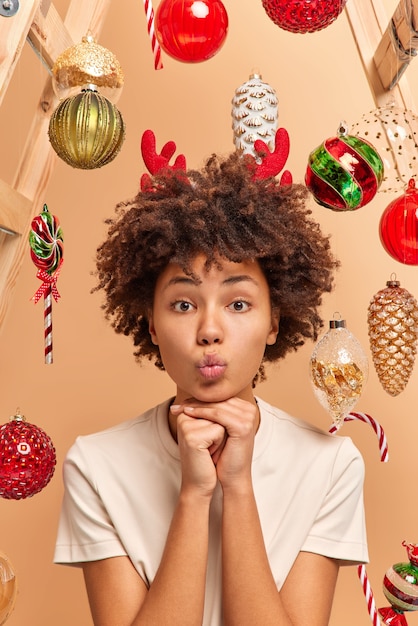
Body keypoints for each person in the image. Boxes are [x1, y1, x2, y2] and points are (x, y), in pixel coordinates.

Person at [54, 148, 368, 626]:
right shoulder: (96, 466)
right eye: (183, 304)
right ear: (152, 326)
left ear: (275, 321)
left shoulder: (330, 465)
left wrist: (237, 486)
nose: (209, 330)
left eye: (238, 304)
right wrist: (194, 494)